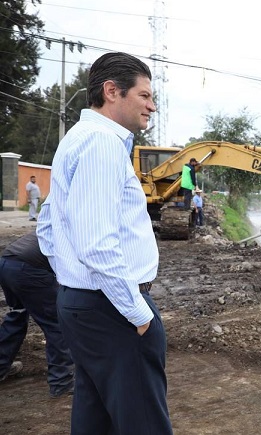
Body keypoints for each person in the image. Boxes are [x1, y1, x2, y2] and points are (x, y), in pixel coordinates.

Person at [38, 52, 173, 434]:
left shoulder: (78, 139)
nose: (152, 106)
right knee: (143, 422)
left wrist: (71, 277)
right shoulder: (101, 144)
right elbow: (97, 244)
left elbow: (48, 227)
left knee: (95, 416)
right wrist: (137, 312)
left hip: (86, 302)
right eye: (145, 96)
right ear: (112, 91)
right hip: (113, 309)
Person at [0, 231, 74, 397]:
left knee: (16, 316)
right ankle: (61, 383)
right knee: (57, 324)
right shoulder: (84, 234)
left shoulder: (61, 223)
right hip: (29, 268)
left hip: (7, 262)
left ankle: (1, 366)